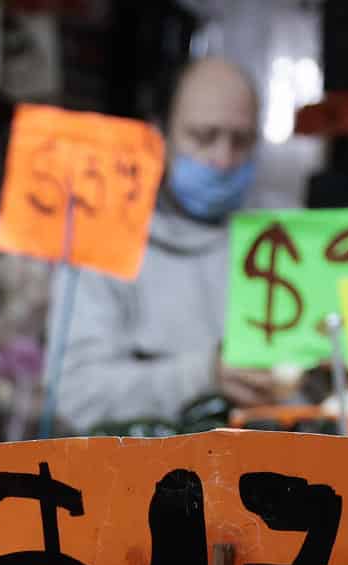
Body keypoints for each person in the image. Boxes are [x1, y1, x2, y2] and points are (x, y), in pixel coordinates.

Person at [47, 57, 302, 433]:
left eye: (241, 140)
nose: (223, 158)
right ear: (160, 138)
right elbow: (75, 394)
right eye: (203, 136)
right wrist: (205, 375)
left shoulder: (290, 236)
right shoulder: (103, 240)